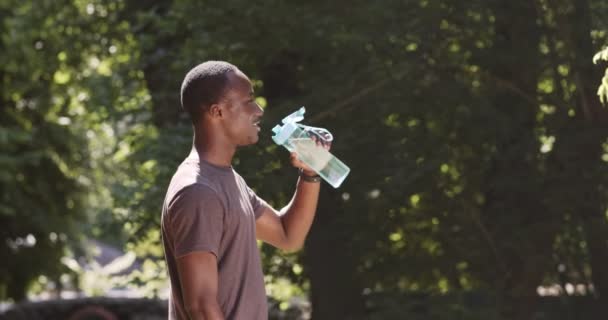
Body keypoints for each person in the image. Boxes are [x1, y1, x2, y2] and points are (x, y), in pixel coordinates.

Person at [161, 61, 327, 320]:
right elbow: (201, 307)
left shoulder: (228, 181)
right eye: (248, 100)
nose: (258, 110)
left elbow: (287, 235)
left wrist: (310, 173)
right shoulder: (198, 191)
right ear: (217, 112)